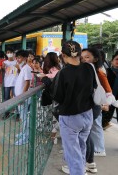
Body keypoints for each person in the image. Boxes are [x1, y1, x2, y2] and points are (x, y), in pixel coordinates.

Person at [41, 41, 95, 175]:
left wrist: (47, 81)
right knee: (81, 147)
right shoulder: (89, 68)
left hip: (71, 117)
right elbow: (93, 87)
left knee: (73, 153)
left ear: (63, 55)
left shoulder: (64, 73)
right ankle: (81, 170)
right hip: (87, 114)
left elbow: (57, 96)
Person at [14, 50, 32, 145]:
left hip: (23, 97)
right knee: (22, 116)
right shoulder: (23, 68)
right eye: (17, 57)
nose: (17, 59)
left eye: (19, 57)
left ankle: (26, 137)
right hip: (20, 96)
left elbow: (27, 82)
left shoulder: (27, 68)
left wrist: (23, 97)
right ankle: (24, 133)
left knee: (24, 117)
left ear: (25, 58)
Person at [103, 51, 118, 129]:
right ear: (112, 61)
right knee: (103, 120)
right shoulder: (106, 72)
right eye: (117, 59)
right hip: (107, 100)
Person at [2, 48, 18, 119]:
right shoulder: (5, 62)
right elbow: (2, 69)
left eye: (10, 52)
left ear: (13, 53)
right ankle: (6, 113)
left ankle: (18, 113)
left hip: (15, 82)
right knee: (6, 98)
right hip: (7, 82)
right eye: (7, 52)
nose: (9, 54)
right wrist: (3, 67)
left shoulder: (16, 62)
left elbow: (20, 70)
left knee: (17, 98)